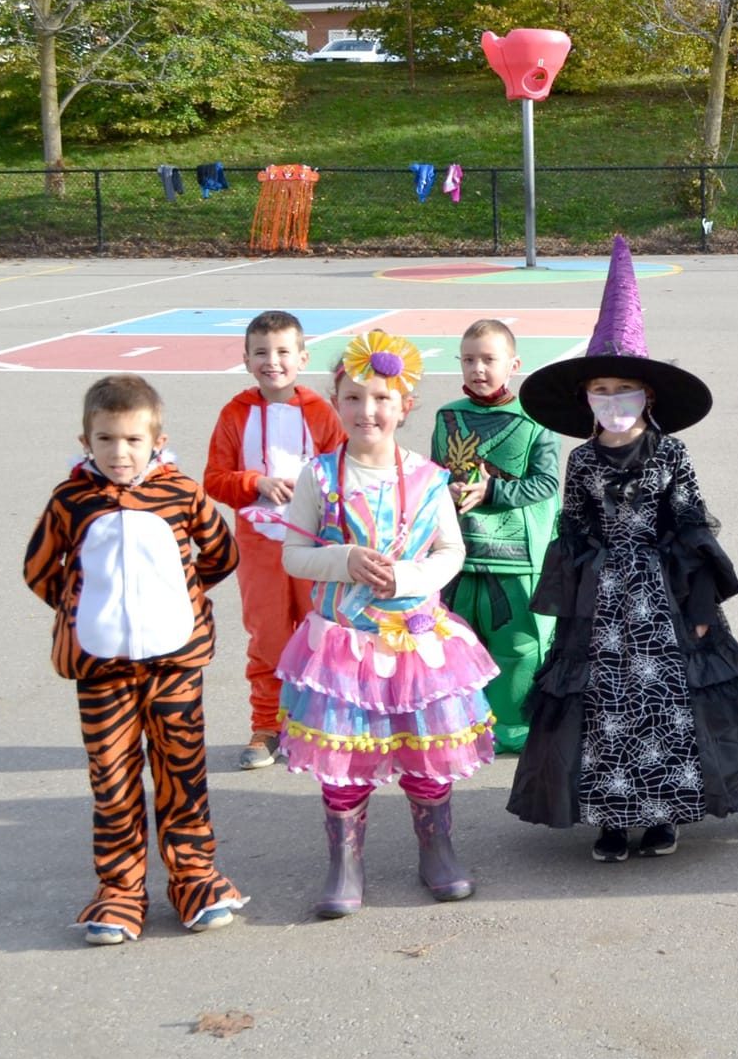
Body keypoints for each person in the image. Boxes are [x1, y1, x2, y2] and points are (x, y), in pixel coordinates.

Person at [508, 237, 738, 862]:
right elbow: (571, 531)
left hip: (663, 599)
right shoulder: (580, 460)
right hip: (599, 604)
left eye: (625, 390)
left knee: (664, 704)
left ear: (648, 397)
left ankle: (663, 817)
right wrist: (569, 607)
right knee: (602, 707)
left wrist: (702, 604)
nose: (613, 402)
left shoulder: (670, 453)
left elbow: (691, 528)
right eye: (601, 390)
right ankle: (608, 819)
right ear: (586, 399)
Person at [274, 330, 499, 916]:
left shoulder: (428, 478)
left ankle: (437, 847)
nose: (366, 410)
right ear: (335, 401)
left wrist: (407, 579)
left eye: (381, 398)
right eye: (352, 398)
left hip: (417, 641)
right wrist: (343, 560)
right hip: (343, 645)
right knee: (345, 759)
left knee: (426, 753)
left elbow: (451, 553)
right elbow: (293, 556)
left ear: (405, 405)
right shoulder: (316, 477)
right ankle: (344, 861)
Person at [23, 375, 245, 945]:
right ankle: (120, 891)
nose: (119, 453)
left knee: (182, 774)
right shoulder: (68, 500)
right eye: (105, 440)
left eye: (132, 441)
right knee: (114, 782)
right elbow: (41, 570)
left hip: (175, 666)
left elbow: (220, 553)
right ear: (85, 440)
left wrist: (182, 596)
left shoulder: (182, 492)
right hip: (102, 673)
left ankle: (194, 877)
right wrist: (83, 609)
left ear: (157, 440)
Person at [204, 311, 346, 770]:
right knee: (267, 638)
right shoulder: (234, 413)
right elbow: (214, 480)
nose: (273, 361)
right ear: (245, 359)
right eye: (261, 353)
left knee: (321, 632)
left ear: (302, 358)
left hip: (315, 547)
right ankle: (267, 726)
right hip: (259, 547)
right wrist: (254, 482)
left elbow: (344, 471)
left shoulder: (322, 413)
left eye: (283, 352)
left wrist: (319, 494)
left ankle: (322, 723)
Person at [430, 318, 561, 754]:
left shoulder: (535, 419)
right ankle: (462, 724)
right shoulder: (448, 416)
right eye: (469, 359)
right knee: (458, 643)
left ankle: (516, 728)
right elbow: (433, 474)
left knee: (519, 648)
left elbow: (546, 484)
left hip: (517, 559)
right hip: (458, 555)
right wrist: (443, 489)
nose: (478, 369)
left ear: (514, 364)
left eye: (489, 359)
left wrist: (493, 489)